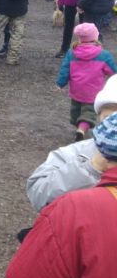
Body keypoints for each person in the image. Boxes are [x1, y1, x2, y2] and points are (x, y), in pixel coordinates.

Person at [7, 112, 117, 278]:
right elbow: (38, 189)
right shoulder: (79, 151)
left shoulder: (77, 209)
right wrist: (89, 168)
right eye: (107, 109)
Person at [27, 75, 117, 212]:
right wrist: (91, 168)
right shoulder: (79, 153)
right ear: (99, 117)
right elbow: (38, 193)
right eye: (109, 118)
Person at [57, 23, 115, 141]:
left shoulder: (72, 53)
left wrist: (60, 83)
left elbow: (65, 69)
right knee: (89, 112)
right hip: (93, 91)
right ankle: (82, 129)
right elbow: (113, 71)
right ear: (95, 36)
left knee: (76, 110)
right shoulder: (104, 55)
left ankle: (78, 126)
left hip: (76, 89)